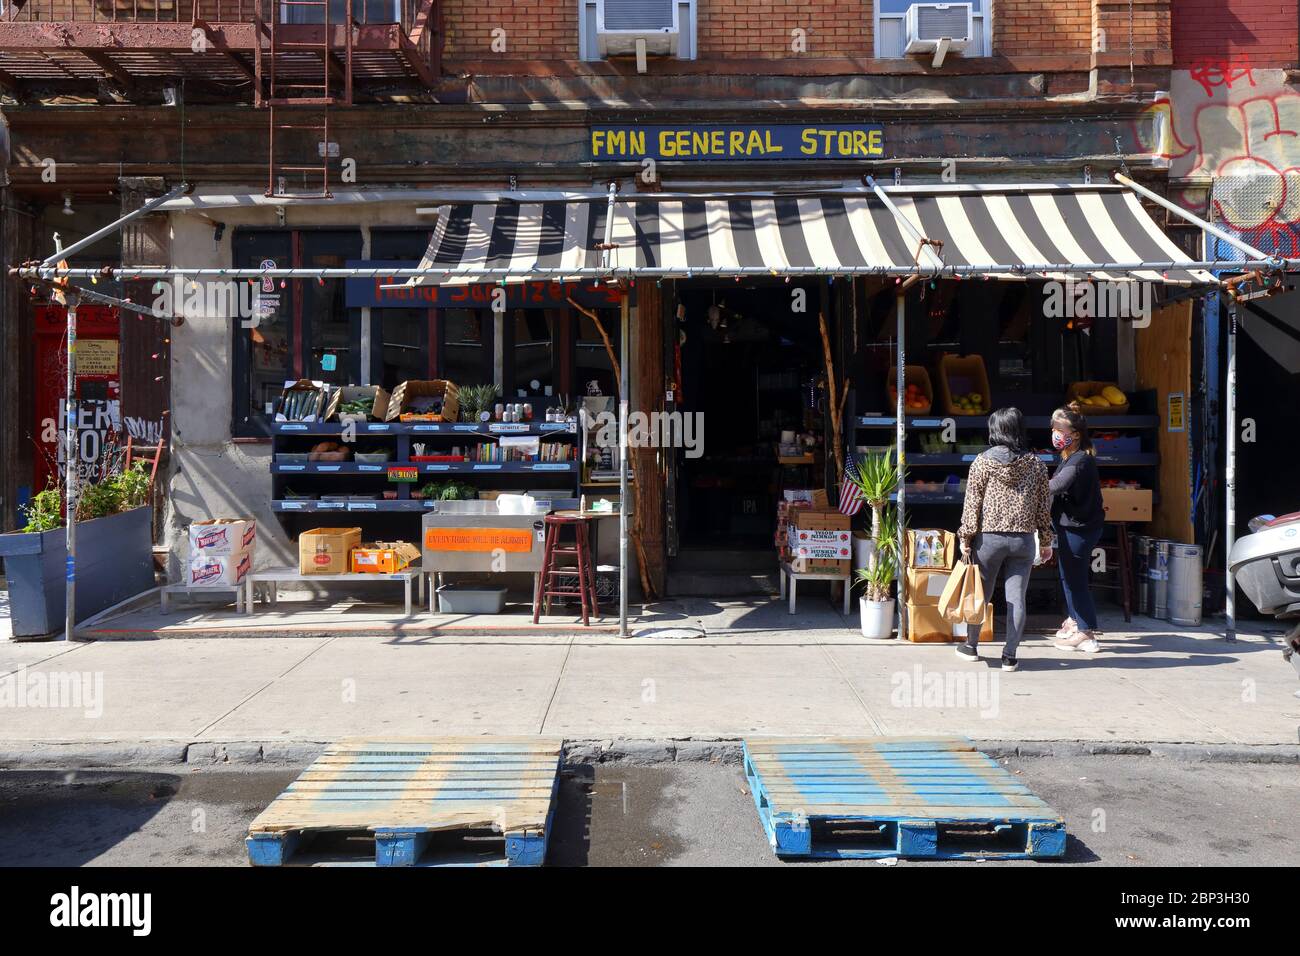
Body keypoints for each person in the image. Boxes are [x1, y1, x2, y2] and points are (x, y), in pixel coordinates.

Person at [957, 407, 1054, 671]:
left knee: (981, 594)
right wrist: (1046, 541)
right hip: (1023, 540)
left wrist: (966, 536)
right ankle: (1010, 655)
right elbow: (1044, 507)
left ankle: (971, 646)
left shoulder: (982, 462)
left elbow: (972, 504)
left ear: (995, 429)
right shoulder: (1036, 465)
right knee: (1017, 598)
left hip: (989, 540)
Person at [1048, 407, 1106, 653]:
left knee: (1076, 581)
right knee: (1068, 577)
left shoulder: (1080, 459)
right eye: (1053, 429)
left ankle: (1086, 632)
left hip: (1079, 529)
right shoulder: (1068, 457)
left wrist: (1031, 482)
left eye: (1060, 430)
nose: (1055, 434)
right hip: (1071, 527)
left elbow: (1058, 485)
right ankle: (1075, 621)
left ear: (1076, 434)